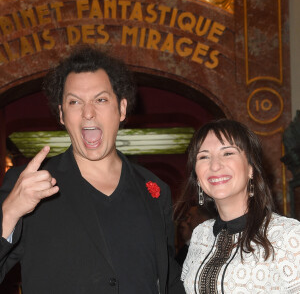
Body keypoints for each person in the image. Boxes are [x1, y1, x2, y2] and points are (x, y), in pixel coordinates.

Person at [0, 46, 185, 294]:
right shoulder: (28, 184)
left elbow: (167, 277)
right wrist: (10, 211)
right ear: (62, 114)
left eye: (101, 99)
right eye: (74, 102)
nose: (88, 112)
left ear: (121, 109)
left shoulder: (155, 190)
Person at [180, 118, 300, 293]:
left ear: (251, 167)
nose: (214, 165)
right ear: (197, 176)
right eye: (204, 156)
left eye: (227, 153)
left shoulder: (288, 235)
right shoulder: (201, 234)